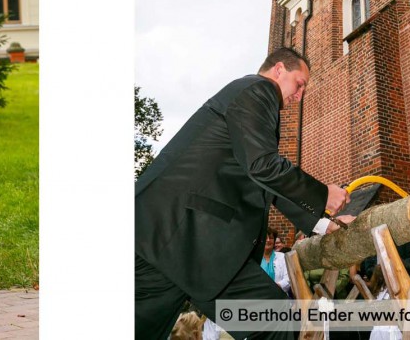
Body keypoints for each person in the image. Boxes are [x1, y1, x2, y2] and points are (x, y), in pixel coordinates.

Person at [135, 47, 351, 340]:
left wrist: (324, 225)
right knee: (277, 322)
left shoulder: (246, 103)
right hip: (192, 238)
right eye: (299, 84)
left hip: (166, 242)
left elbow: (263, 180)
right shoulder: (258, 89)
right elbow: (263, 166)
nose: (299, 96)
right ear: (278, 70)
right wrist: (323, 193)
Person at [260, 227, 291, 295]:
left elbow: (288, 278)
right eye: (265, 238)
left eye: (271, 238)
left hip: (279, 297)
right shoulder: (255, 259)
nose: (268, 240)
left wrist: (275, 287)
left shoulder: (282, 257)